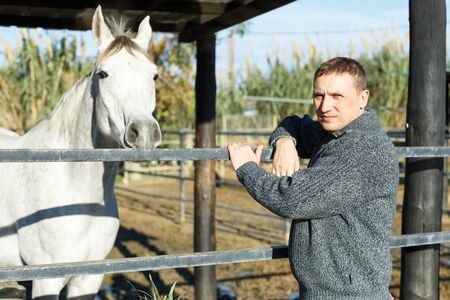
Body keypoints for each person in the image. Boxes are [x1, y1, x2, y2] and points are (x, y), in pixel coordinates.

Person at [228, 57, 398, 299]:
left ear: (363, 98)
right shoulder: (332, 133)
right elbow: (295, 123)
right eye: (319, 95)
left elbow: (291, 198)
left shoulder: (362, 151)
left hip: (349, 293)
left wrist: (247, 169)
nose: (325, 106)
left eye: (337, 96)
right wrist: (285, 140)